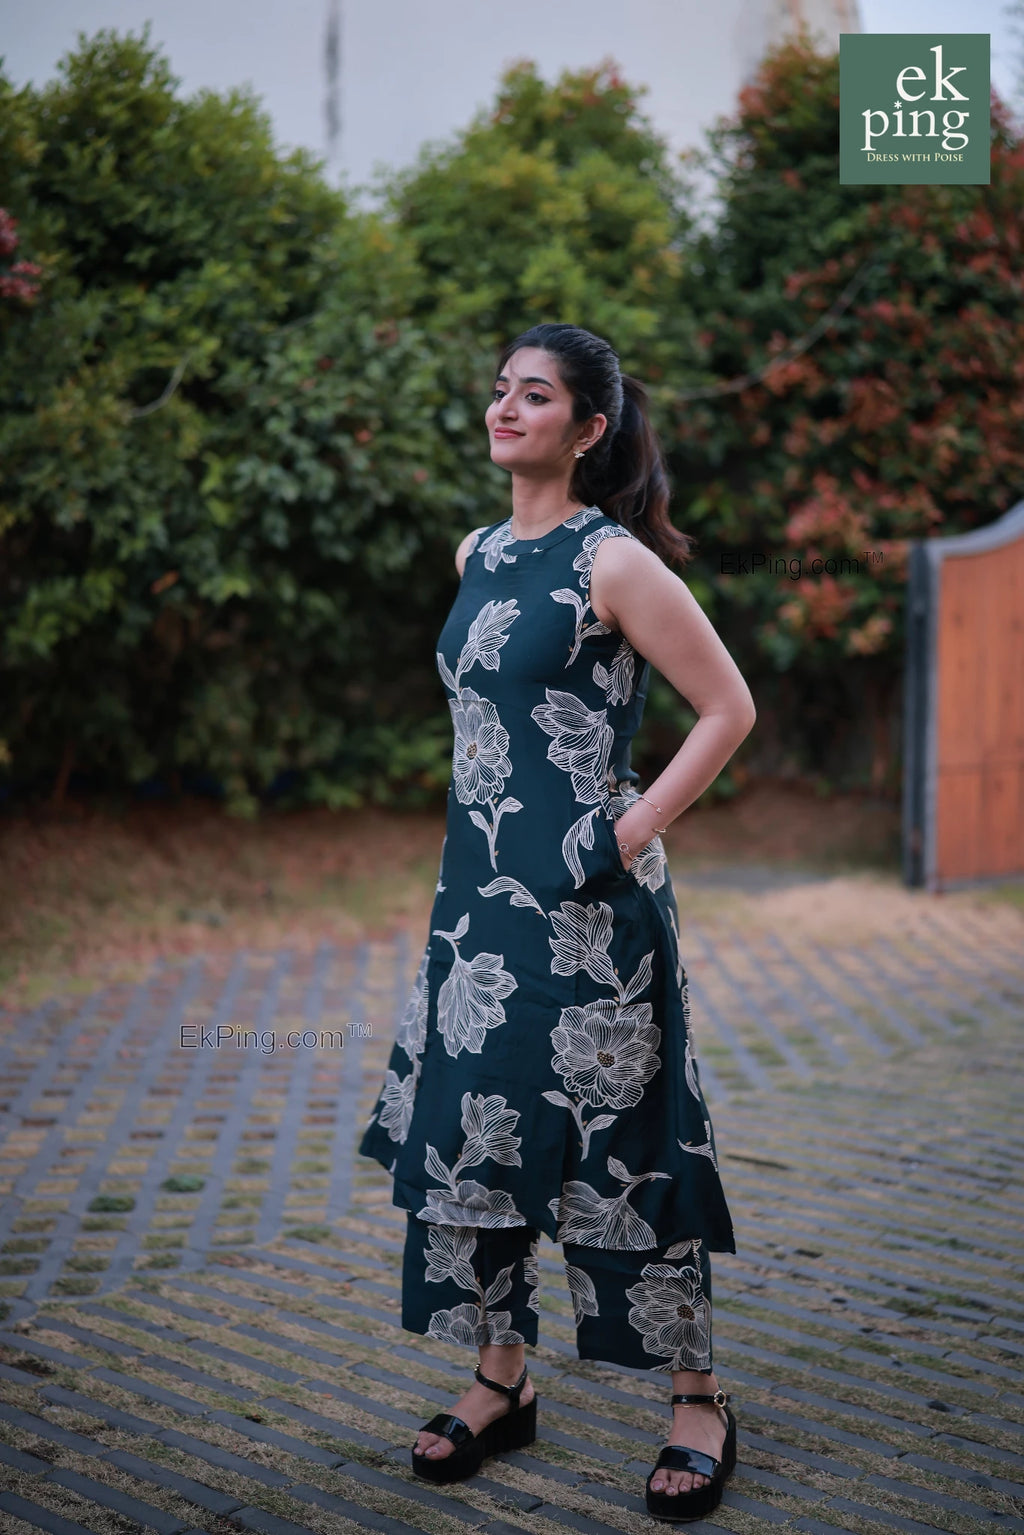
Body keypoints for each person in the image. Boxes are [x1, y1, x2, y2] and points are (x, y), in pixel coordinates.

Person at [357, 321, 756, 1521]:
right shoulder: (478, 548)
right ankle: (500, 1380)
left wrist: (624, 832)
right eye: (498, 390)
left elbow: (728, 707)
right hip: (477, 908)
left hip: (591, 910)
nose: (504, 408)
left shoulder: (615, 563)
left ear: (587, 429)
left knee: (620, 1144)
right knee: (477, 1132)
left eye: (532, 395)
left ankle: (698, 1397)